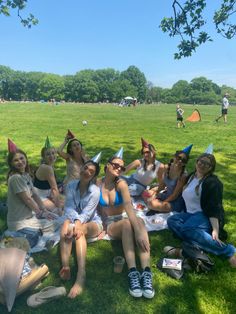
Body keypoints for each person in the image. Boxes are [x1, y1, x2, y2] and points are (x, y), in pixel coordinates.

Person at [97, 148, 155, 299]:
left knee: (140, 222)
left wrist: (140, 233)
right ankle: (133, 272)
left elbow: (129, 207)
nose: (119, 169)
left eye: (122, 167)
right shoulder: (98, 184)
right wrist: (102, 224)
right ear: (107, 166)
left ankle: (146, 272)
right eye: (115, 165)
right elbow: (95, 206)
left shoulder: (121, 184)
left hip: (125, 216)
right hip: (112, 223)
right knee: (127, 225)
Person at [166, 145, 236, 268]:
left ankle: (229, 250)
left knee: (187, 229)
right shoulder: (191, 177)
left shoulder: (212, 183)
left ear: (211, 168)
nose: (202, 165)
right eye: (201, 161)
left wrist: (215, 229)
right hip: (191, 215)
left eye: (207, 164)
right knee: (172, 221)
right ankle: (196, 242)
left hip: (205, 215)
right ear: (197, 161)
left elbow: (214, 207)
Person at [59, 153, 103, 299]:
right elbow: (69, 207)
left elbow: (88, 213)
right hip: (73, 220)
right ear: (81, 168)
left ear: (93, 176)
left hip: (93, 223)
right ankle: (65, 266)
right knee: (65, 227)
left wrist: (77, 223)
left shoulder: (95, 191)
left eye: (91, 171)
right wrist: (74, 222)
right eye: (85, 168)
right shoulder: (71, 185)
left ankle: (81, 274)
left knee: (79, 232)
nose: (87, 172)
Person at [7, 146, 60, 235]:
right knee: (57, 224)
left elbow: (34, 194)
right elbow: (28, 199)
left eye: (21, 158)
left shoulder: (26, 175)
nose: (20, 161)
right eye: (16, 160)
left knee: (56, 218)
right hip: (19, 222)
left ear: (26, 159)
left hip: (29, 216)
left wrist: (44, 210)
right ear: (11, 164)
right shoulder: (15, 178)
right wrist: (40, 213)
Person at [143, 146, 191, 213]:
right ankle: (156, 208)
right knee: (145, 193)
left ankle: (156, 208)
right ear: (174, 157)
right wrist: (155, 195)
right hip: (166, 194)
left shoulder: (183, 175)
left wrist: (162, 202)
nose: (180, 161)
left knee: (152, 203)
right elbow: (162, 185)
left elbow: (175, 195)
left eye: (183, 160)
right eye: (179, 158)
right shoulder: (167, 167)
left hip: (175, 201)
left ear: (184, 163)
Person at [33, 137, 63, 215]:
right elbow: (54, 188)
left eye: (53, 153)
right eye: (48, 154)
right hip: (38, 197)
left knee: (66, 204)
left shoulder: (49, 165)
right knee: (58, 213)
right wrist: (59, 207)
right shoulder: (47, 168)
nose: (51, 156)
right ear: (43, 157)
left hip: (46, 195)